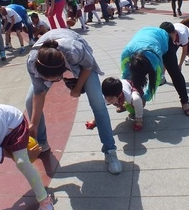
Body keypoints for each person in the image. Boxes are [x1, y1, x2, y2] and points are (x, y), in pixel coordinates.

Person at [25, 29, 122, 174]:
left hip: (82, 65)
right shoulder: (33, 61)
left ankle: (110, 150)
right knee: (29, 102)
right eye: (48, 81)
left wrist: (77, 88)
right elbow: (39, 93)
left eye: (57, 80)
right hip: (51, 60)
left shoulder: (73, 49)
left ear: (63, 71)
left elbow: (88, 66)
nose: (57, 83)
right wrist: (33, 124)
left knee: (98, 103)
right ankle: (42, 143)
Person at [121, 27, 189, 116]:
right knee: (131, 79)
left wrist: (146, 97)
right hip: (143, 35)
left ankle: (185, 101)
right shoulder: (126, 55)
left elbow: (156, 79)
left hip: (163, 38)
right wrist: (125, 97)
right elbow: (125, 77)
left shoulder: (155, 60)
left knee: (174, 71)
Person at [160, 20, 189, 86]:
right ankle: (162, 76)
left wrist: (180, 65)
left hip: (186, 37)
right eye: (167, 37)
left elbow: (184, 51)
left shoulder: (183, 34)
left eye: (170, 37)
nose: (169, 39)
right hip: (176, 39)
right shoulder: (165, 36)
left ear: (175, 33)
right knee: (166, 57)